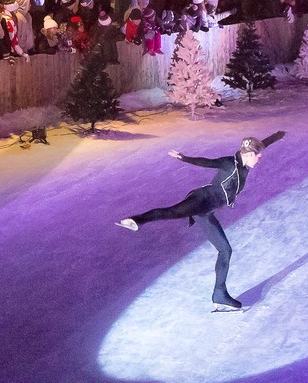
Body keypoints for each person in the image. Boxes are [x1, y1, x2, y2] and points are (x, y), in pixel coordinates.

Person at [117, 132, 287, 310]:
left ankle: (219, 294)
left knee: (225, 250)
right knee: (172, 212)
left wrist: (278, 135)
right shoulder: (230, 163)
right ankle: (136, 220)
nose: (260, 159)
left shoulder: (247, 160)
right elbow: (207, 162)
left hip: (207, 211)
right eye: (258, 156)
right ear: (251, 154)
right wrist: (184, 158)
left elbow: (263, 144)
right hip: (201, 201)